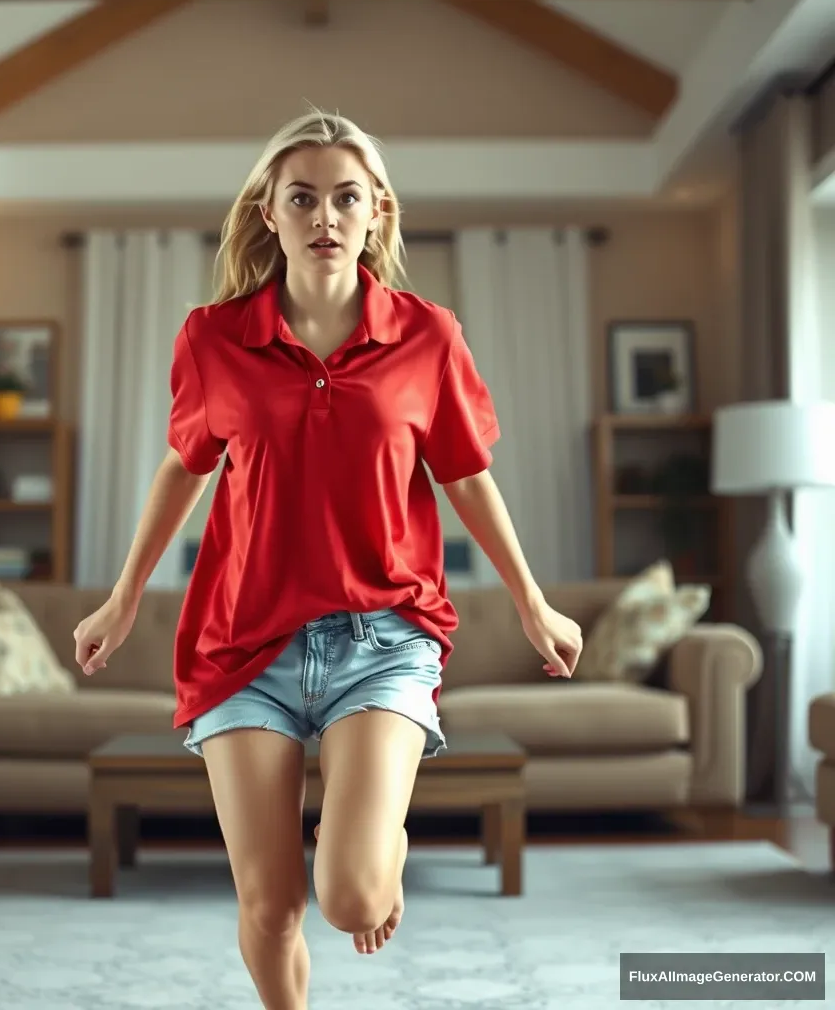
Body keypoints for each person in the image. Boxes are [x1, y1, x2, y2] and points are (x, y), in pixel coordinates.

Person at [73, 109, 583, 1009]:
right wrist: (122, 600)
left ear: (376, 212)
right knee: (271, 908)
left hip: (383, 637)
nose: (324, 216)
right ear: (268, 212)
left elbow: (466, 478)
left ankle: (379, 841)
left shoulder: (428, 336)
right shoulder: (212, 338)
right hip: (242, 648)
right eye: (301, 197)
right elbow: (185, 468)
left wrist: (535, 603)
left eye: (346, 197)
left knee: (350, 894)